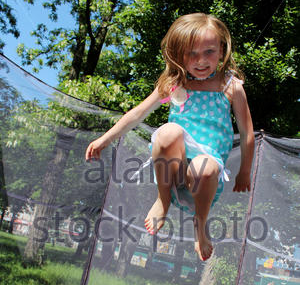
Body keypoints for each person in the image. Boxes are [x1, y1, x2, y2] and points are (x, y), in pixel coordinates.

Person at [86, 13, 254, 261]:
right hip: (173, 167)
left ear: (221, 49)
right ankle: (163, 200)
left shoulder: (230, 86)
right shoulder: (175, 83)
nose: (200, 61)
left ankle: (201, 222)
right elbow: (137, 114)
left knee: (205, 167)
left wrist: (244, 172)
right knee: (168, 131)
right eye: (191, 54)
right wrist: (105, 139)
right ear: (178, 55)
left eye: (208, 52)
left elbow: (247, 133)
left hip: (204, 175)